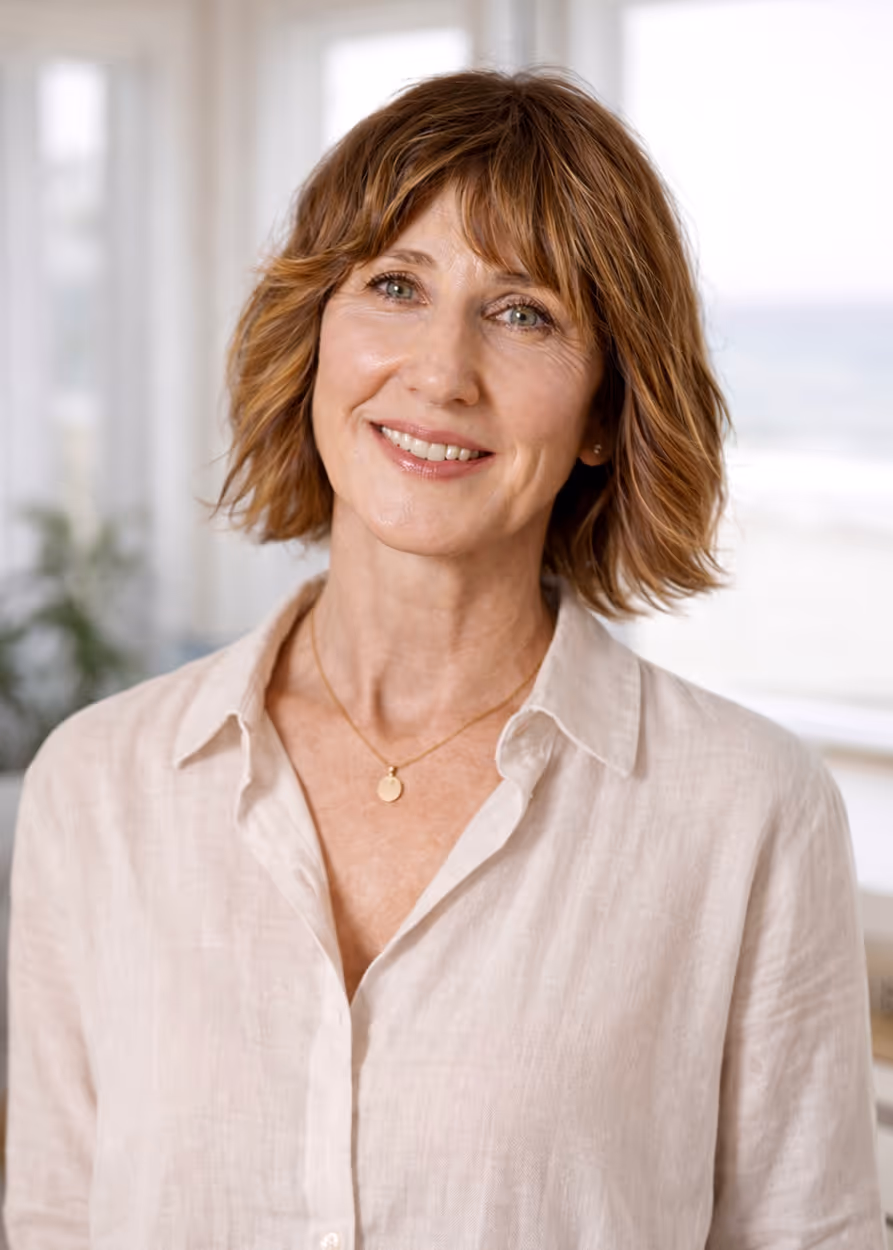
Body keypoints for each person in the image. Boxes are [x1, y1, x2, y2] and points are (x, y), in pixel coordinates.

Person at [4, 70, 883, 1248]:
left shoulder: (746, 814)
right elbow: (58, 1215)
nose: (438, 370)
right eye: (394, 285)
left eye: (523, 312)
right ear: (315, 330)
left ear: (605, 413)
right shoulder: (98, 783)